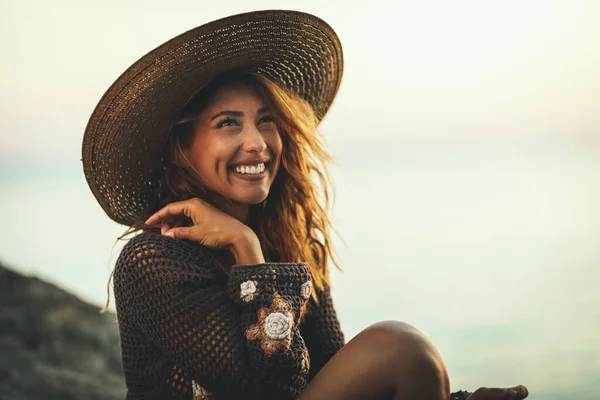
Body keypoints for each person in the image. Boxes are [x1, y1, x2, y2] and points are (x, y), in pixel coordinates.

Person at [82, 10, 529, 400]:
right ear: (182, 147)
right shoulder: (153, 261)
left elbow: (329, 371)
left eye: (267, 121)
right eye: (228, 124)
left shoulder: (293, 242)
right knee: (400, 347)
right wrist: (246, 248)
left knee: (410, 355)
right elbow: (267, 392)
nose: (256, 143)